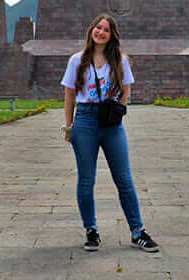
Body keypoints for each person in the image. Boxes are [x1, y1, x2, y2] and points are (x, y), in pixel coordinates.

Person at [61, 13, 159, 253]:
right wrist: (69, 124)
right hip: (84, 121)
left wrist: (119, 109)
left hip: (111, 124)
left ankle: (137, 231)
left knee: (124, 179)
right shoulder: (77, 60)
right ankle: (91, 230)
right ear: (91, 30)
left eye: (106, 29)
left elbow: (126, 88)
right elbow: (69, 93)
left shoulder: (119, 60)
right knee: (86, 180)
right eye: (98, 27)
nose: (101, 32)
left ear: (111, 35)